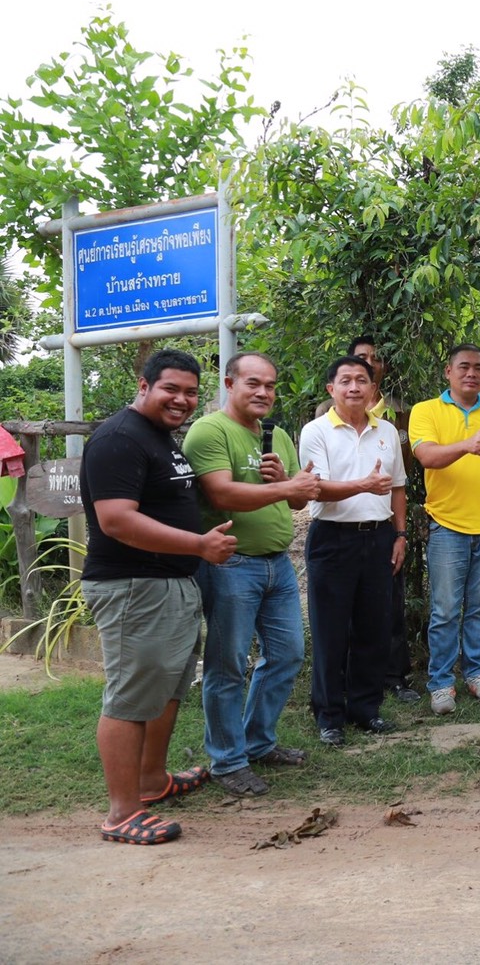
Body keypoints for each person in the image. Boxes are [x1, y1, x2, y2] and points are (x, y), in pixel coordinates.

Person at [82, 349, 237, 845]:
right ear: (144, 384)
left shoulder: (158, 438)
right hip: (132, 586)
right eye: (172, 388)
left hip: (168, 584)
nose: (182, 400)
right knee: (130, 695)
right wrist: (199, 545)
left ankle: (151, 781)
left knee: (165, 688)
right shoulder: (119, 439)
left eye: (191, 392)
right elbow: (117, 520)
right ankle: (122, 813)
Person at [184, 352, 319, 796]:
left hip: (277, 564)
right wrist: (286, 486)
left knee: (286, 655)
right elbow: (221, 492)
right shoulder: (209, 430)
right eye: (253, 384)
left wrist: (285, 480)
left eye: (271, 386)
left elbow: (298, 501)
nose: (263, 393)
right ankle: (227, 762)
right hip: (231, 566)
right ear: (230, 384)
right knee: (227, 667)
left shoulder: (276, 434)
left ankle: (258, 743)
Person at [299, 355, 408, 745]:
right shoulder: (316, 431)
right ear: (331, 389)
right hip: (333, 538)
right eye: (345, 381)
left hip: (378, 537)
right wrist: (363, 485)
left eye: (362, 380)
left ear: (372, 389)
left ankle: (366, 709)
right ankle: (329, 715)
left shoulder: (388, 432)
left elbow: (397, 486)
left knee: (373, 627)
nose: (354, 388)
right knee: (330, 630)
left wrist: (399, 535)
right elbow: (316, 489)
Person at [410, 343, 480, 713]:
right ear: (448, 372)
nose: (471, 373)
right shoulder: (426, 411)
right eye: (463, 367)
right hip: (447, 524)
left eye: (478, 368)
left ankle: (477, 674)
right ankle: (441, 683)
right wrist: (465, 445)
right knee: (444, 609)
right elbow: (426, 456)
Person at [345, 336, 422, 705]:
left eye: (376, 359)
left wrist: (401, 531)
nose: (370, 363)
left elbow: (401, 475)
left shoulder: (399, 413)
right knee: (348, 606)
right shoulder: (326, 412)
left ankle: (394, 675)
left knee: (390, 603)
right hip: (341, 522)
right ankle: (350, 677)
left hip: (385, 520)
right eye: (362, 358)